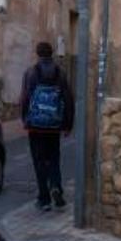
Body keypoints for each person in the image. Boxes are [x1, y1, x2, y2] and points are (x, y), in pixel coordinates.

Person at [21, 41, 74, 212]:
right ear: (51, 53)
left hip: (35, 126)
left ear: (37, 53)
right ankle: (56, 187)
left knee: (39, 161)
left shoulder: (30, 73)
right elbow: (68, 100)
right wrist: (68, 125)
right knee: (54, 158)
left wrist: (25, 120)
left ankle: (44, 199)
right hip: (54, 125)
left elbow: (25, 99)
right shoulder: (61, 73)